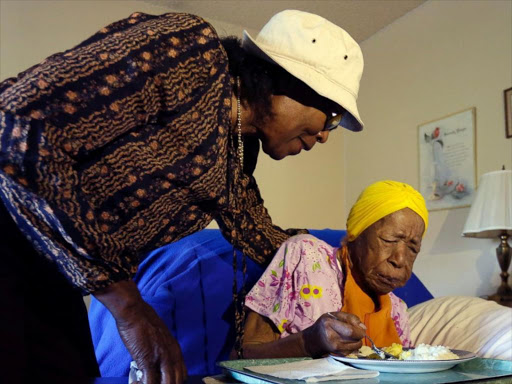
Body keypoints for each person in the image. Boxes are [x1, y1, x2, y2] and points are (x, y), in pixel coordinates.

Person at [0, 9, 364, 384]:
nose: (325, 135)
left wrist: (352, 258)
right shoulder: (192, 51)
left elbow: (260, 235)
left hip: (53, 266)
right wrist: (130, 308)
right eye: (332, 115)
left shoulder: (235, 149)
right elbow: (19, 125)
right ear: (290, 81)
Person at [242, 180, 428, 358]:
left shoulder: (396, 311)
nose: (400, 259)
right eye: (389, 240)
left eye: (413, 248)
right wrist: (308, 342)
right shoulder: (305, 257)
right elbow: (243, 357)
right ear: (356, 232)